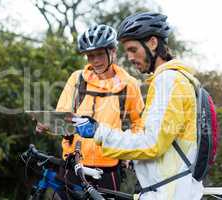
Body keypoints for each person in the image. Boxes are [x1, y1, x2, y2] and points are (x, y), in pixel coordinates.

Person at [72, 12, 204, 200]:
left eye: (133, 49)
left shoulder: (168, 80)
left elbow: (151, 143)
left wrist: (99, 132)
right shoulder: (174, 79)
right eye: (127, 51)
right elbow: (162, 138)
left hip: (168, 193)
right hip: (170, 187)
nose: (130, 57)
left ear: (152, 43)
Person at [36, 24, 144, 191]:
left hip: (109, 168)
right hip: (73, 164)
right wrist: (48, 124)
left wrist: (129, 152)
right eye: (90, 56)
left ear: (113, 51)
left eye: (100, 54)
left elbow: (139, 124)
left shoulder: (129, 84)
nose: (95, 60)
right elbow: (62, 116)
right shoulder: (77, 79)